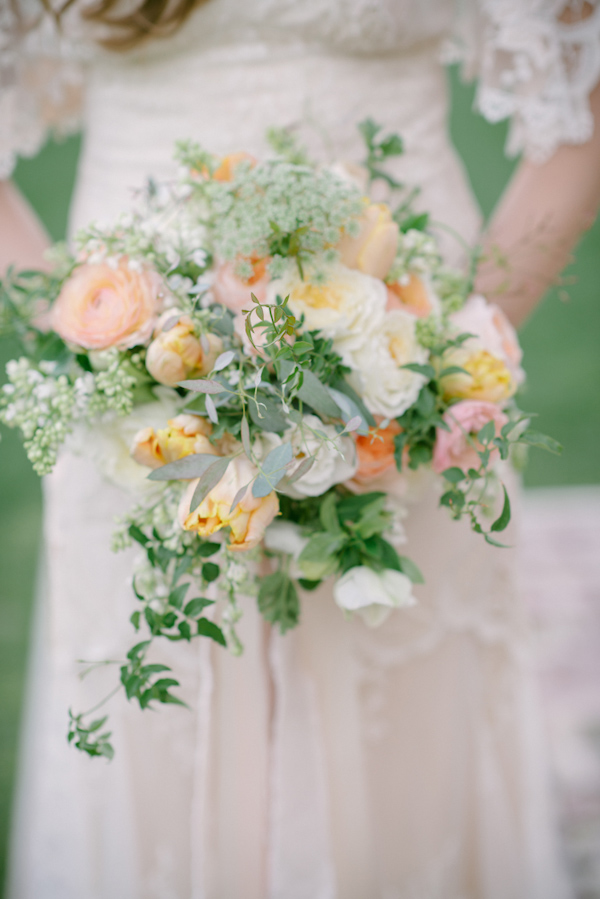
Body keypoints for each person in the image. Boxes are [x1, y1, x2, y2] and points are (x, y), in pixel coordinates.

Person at [2, 1, 600, 896]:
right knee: (161, 702)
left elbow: (582, 89)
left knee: (403, 702)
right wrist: (83, 330)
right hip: (129, 362)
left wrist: (452, 357)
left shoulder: (424, 364)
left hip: (409, 347)